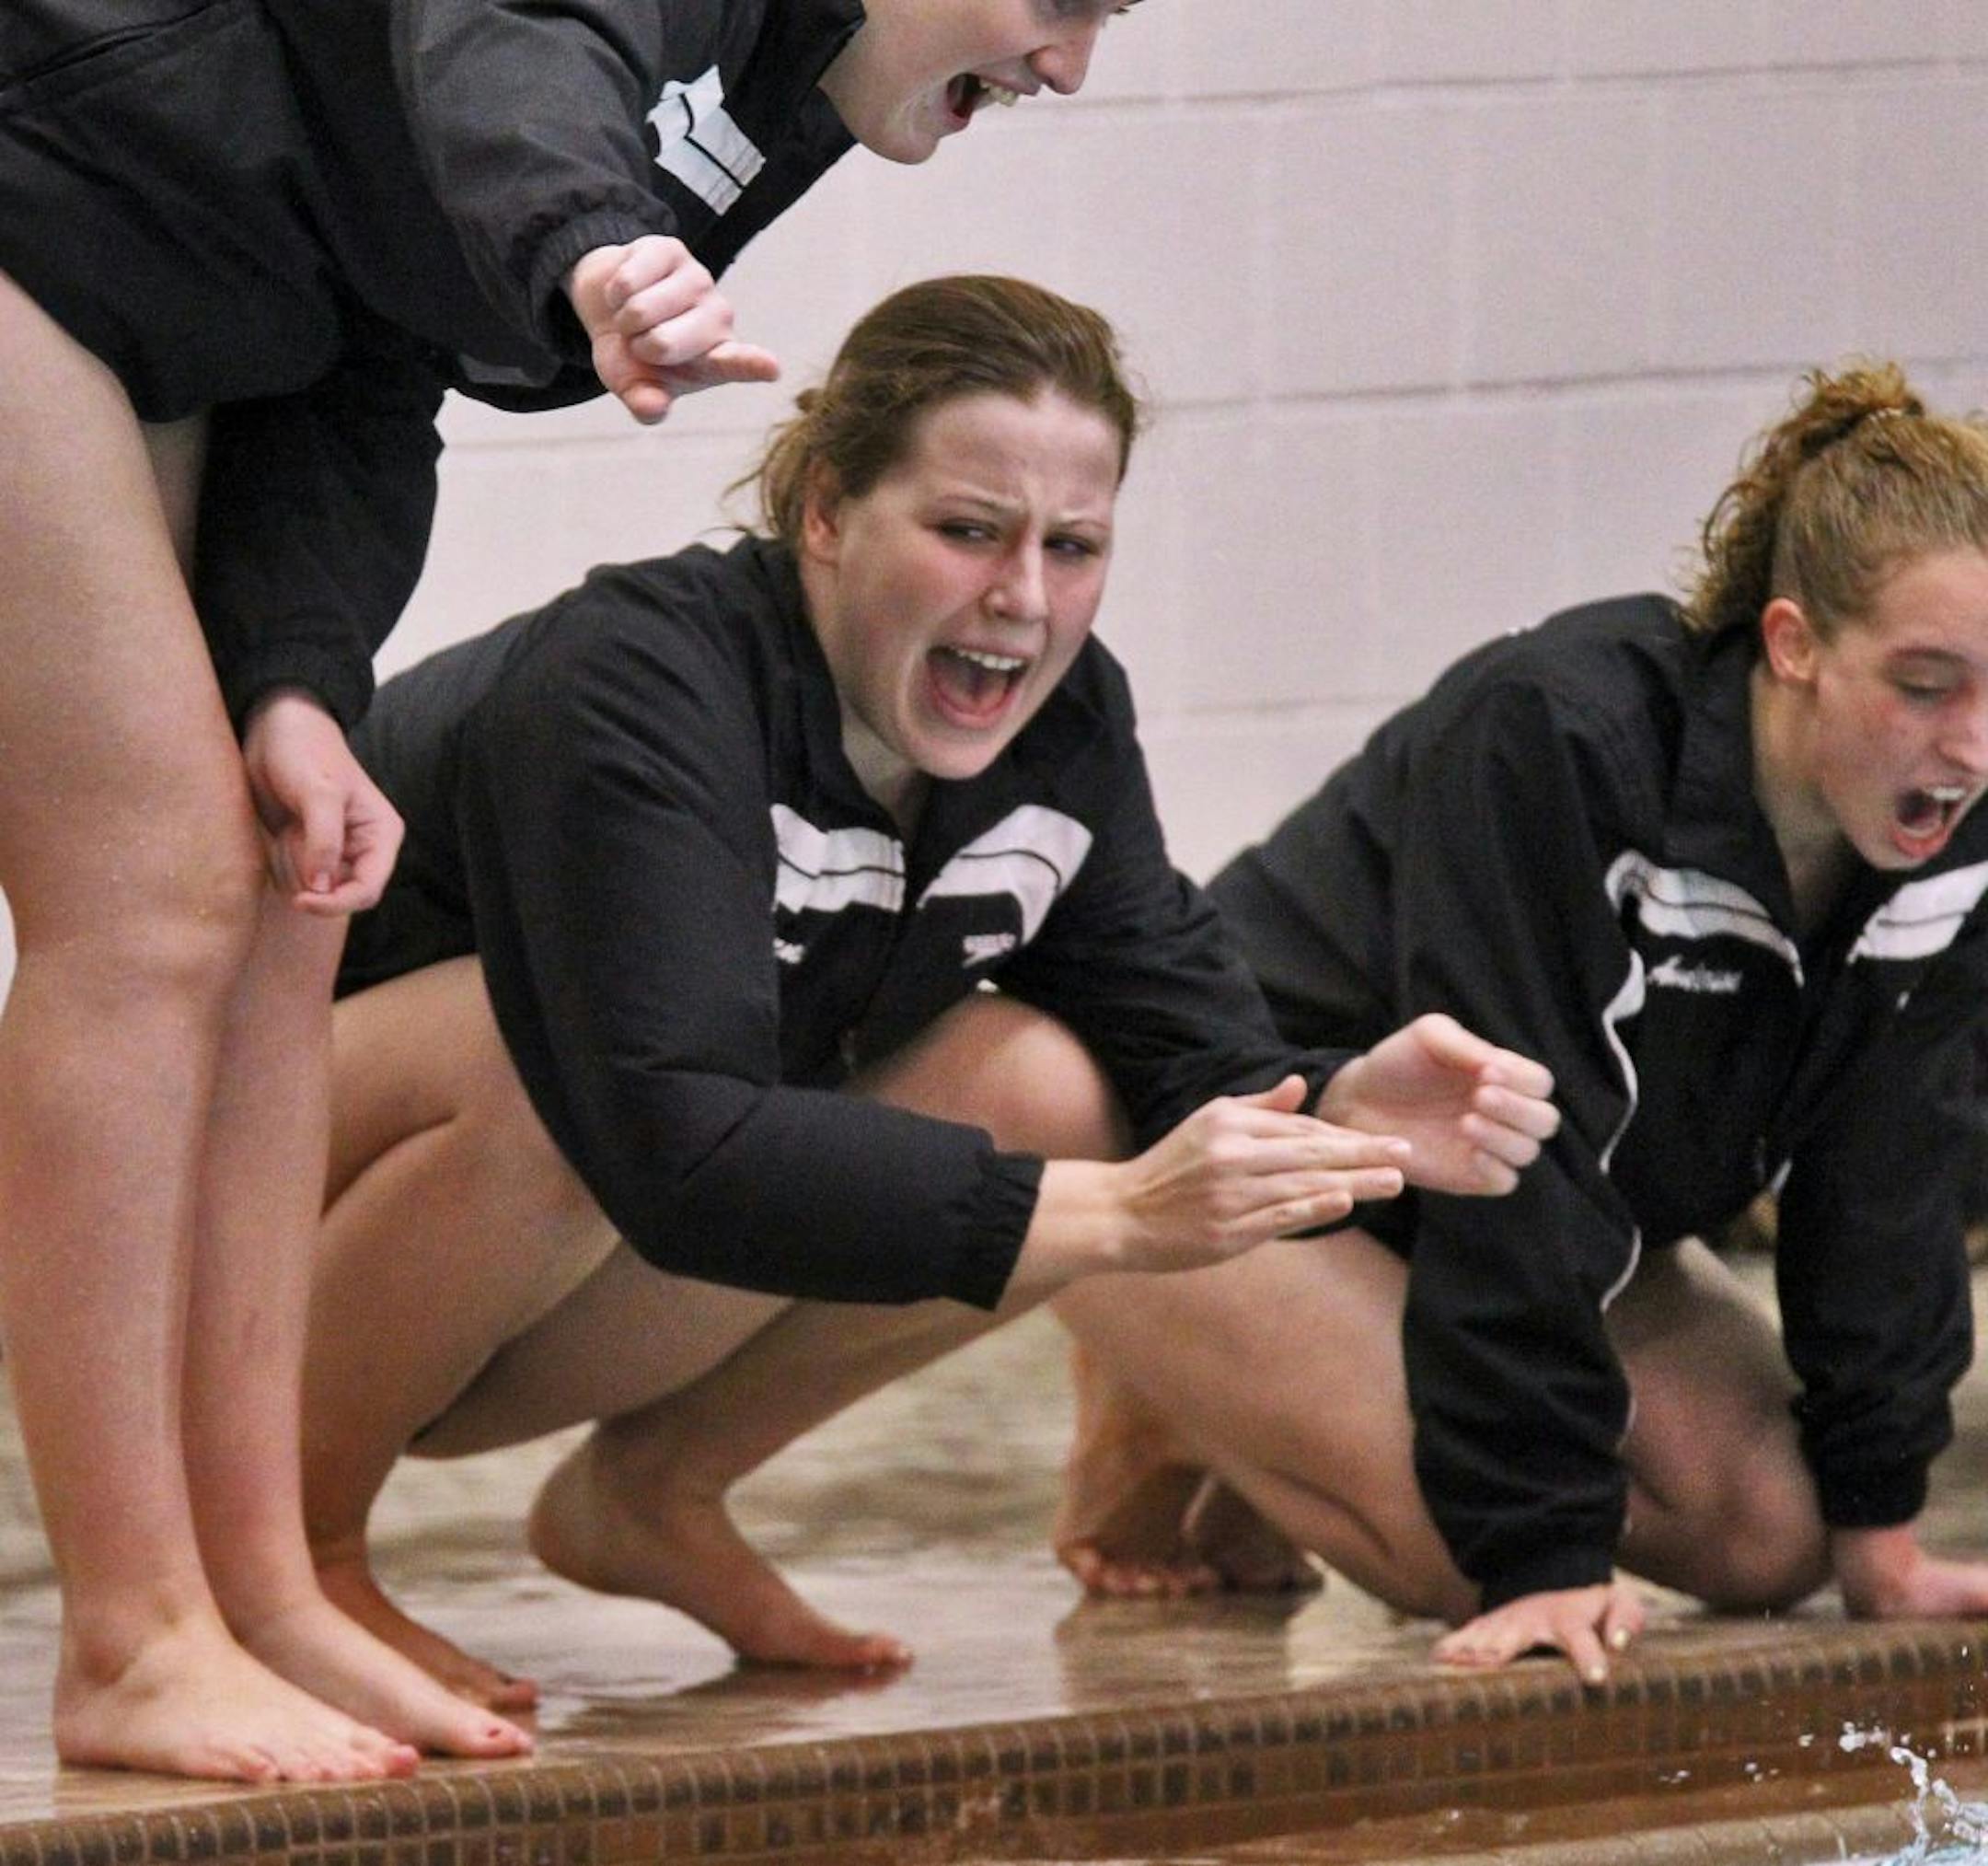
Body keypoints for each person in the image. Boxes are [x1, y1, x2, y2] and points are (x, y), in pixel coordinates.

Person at [0, 0, 1143, 1785]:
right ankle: (135, 1636)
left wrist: (299, 677)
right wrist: (591, 242)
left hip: (199, 309)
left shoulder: (775, 97)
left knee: (281, 882)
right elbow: (506, 47)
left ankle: (258, 1581)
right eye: (1067, 0)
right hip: (38, 204)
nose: (1072, 64)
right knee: (147, 898)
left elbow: (379, 330)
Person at [297, 273, 1562, 1710]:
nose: (1022, 601)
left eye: (1072, 546)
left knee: (1046, 1083)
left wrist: (1338, 1102)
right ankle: (299, 1549)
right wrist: (1110, 1217)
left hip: (554, 1265)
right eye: (968, 531)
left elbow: (1172, 1018)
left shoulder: (1062, 719)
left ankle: (652, 1493)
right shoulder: (641, 682)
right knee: (539, 1047)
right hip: (258, 1227)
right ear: (827, 513)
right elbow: (667, 1139)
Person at [1053, 360, 1988, 1686]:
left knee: (1775, 1539)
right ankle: (1166, 1371)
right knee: (1468, 1555)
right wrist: (1540, 1550)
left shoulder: (1949, 830)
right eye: (1927, 685)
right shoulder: (1565, 737)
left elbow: (1892, 1167)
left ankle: (1227, 1408)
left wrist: (1883, 1537)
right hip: (1276, 1148)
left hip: (1541, 1198)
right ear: (1793, 645)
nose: (1972, 745)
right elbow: (1510, 1150)